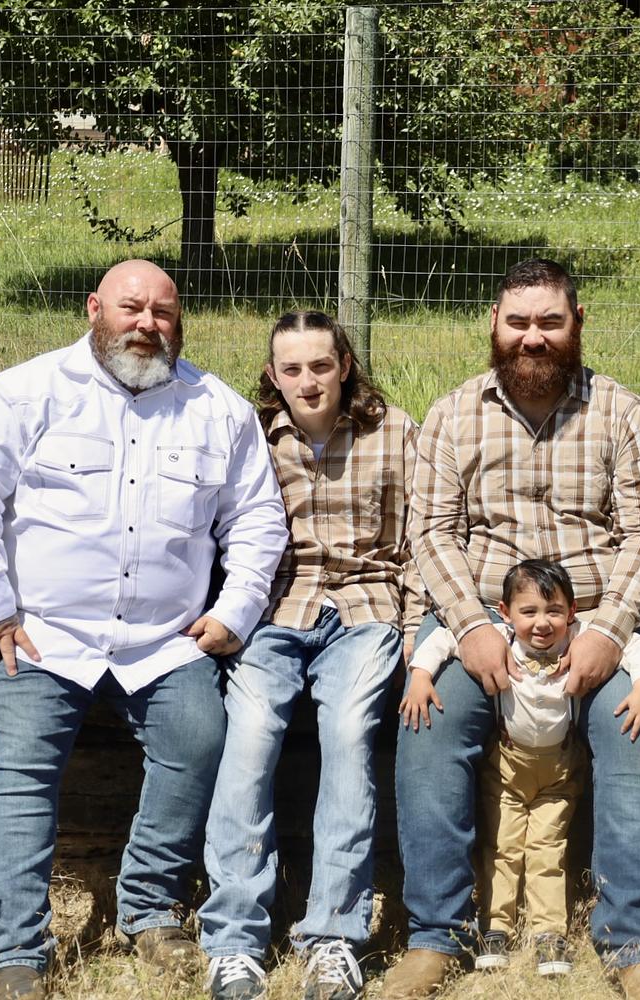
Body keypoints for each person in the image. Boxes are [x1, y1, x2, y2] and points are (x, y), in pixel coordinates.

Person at [0, 260, 288, 1000]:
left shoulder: (218, 409)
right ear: (94, 309)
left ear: (180, 323)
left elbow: (258, 521)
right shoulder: (22, 393)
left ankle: (148, 909)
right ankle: (14, 949)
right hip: (42, 634)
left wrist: (235, 611)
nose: (147, 324)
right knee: (19, 766)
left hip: (164, 642)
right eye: (131, 308)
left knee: (198, 740)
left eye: (163, 313)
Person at [383, 258, 640, 1000]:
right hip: (483, 616)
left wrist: (610, 630)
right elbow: (433, 532)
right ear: (494, 323)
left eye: (550, 321)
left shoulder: (622, 413)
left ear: (577, 323)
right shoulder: (454, 414)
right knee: (430, 725)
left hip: (596, 618)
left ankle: (634, 941)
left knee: (635, 736)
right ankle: (436, 933)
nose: (533, 337)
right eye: (518, 322)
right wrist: (468, 627)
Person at [198, 311, 423, 1000]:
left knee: (350, 732)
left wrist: (418, 635)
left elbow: (421, 542)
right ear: (273, 375)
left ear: (344, 366)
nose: (308, 382)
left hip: (365, 610)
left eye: (321, 366)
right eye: (291, 369)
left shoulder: (395, 432)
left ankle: (334, 936)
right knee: (251, 732)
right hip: (275, 612)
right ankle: (235, 938)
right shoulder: (253, 437)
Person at [400, 558, 640, 979]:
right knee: (502, 845)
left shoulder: (577, 637)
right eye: (529, 612)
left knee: (547, 849)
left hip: (559, 771)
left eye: (554, 611)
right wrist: (420, 677)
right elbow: (443, 640)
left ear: (571, 611)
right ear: (505, 613)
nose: (542, 623)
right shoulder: (502, 639)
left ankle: (549, 932)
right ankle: (496, 927)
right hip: (507, 767)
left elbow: (635, 646)